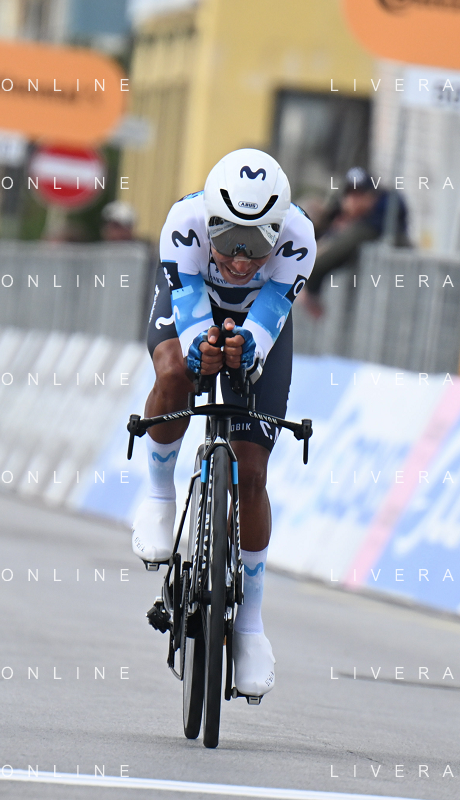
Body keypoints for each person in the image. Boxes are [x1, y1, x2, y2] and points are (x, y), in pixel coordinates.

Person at [135, 148, 315, 697]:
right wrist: (199, 350)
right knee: (174, 372)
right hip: (195, 303)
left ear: (278, 231)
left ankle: (251, 625)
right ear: (209, 221)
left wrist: (248, 349)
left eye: (257, 243)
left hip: (258, 317)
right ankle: (159, 494)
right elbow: (188, 308)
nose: (241, 258)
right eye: (230, 238)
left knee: (252, 471)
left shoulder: (301, 239)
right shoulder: (182, 223)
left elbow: (269, 317)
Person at [300, 166, 407, 319]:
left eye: (359, 195)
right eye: (350, 195)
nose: (353, 201)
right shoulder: (342, 216)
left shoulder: (386, 208)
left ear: (371, 196)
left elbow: (339, 247)